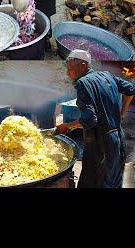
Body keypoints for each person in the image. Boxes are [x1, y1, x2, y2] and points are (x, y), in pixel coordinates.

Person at [56, 50, 135, 188]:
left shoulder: (83, 83)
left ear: (83, 65)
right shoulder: (107, 75)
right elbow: (131, 89)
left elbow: (89, 120)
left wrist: (67, 126)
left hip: (100, 143)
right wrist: (122, 111)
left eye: (70, 69)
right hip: (117, 138)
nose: (68, 73)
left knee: (95, 181)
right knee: (114, 181)